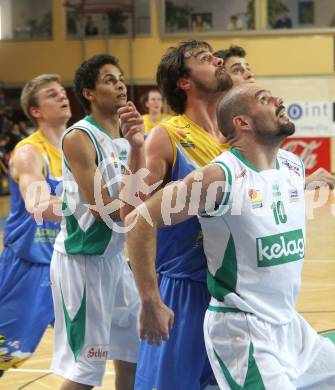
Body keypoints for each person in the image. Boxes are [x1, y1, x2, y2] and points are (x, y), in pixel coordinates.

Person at [125, 82, 335, 390]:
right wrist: (150, 301)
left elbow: (269, 192)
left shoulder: (293, 166)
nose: (279, 99)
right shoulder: (219, 177)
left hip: (292, 327)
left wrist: (307, 184)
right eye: (264, 99)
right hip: (242, 332)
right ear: (242, 122)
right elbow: (139, 220)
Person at [121, 40, 233, 390]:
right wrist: (150, 299)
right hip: (185, 291)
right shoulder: (167, 135)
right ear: (184, 82)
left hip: (232, 291)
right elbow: (129, 213)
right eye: (204, 58)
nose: (216, 60)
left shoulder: (235, 137)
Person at [50, 54, 143, 390]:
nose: (119, 84)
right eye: (109, 79)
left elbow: (137, 195)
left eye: (120, 78)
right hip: (83, 263)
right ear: (89, 92)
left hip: (116, 260)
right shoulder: (80, 137)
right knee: (86, 371)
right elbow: (107, 210)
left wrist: (137, 146)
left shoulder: (125, 136)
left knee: (134, 353)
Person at [0, 74, 71, 375]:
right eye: (51, 94)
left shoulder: (77, 148)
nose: (62, 96)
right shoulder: (30, 151)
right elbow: (39, 204)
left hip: (70, 263)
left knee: (90, 352)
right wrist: (97, 210)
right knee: (5, 355)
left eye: (62, 91)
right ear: (36, 111)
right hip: (30, 266)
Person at [214, 45, 335, 189]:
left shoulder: (284, 157)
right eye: (237, 70)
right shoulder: (213, 150)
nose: (248, 74)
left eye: (248, 68)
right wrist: (301, 185)